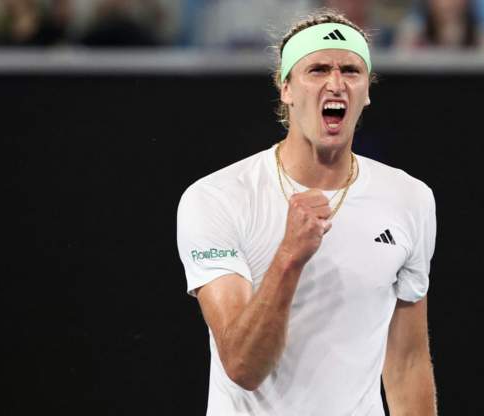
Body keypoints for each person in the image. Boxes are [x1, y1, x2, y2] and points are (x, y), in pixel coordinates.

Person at [176, 9, 438, 415]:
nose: (336, 83)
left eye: (350, 71)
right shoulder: (217, 198)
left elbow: (407, 363)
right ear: (286, 88)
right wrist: (289, 257)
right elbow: (243, 366)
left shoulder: (410, 198)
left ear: (367, 91)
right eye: (317, 70)